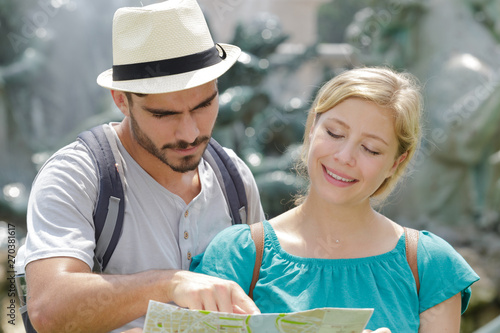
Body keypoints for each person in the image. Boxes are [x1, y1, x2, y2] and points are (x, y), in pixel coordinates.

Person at [23, 1, 265, 332]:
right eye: (164, 114)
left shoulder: (234, 176)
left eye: (204, 105)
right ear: (121, 99)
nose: (190, 133)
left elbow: (263, 303)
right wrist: (170, 283)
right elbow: (47, 310)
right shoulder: (76, 175)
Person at [191, 67, 480, 332]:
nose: (344, 157)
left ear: (396, 163)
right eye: (335, 133)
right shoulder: (237, 255)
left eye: (371, 149)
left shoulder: (431, 265)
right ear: (311, 128)